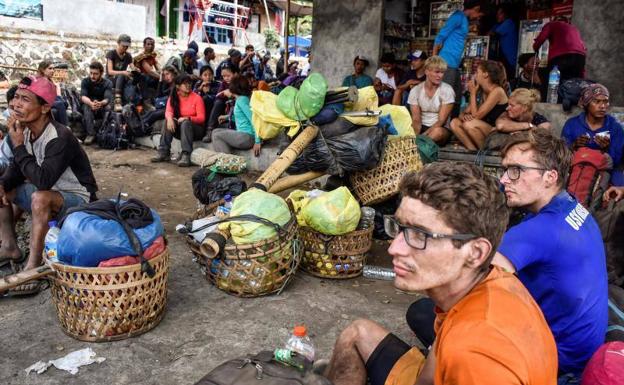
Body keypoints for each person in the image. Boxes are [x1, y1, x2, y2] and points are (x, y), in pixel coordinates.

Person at [323, 161, 557, 385]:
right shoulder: (494, 280)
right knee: (357, 332)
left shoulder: (473, 355)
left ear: (475, 252)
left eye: (420, 235)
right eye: (400, 227)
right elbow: (432, 368)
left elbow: (460, 352)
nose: (394, 248)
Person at [493, 128, 608, 379]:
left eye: (516, 170)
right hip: (585, 349)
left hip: (559, 360)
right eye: (504, 170)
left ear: (550, 177)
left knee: (425, 313)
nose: (503, 180)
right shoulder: (573, 207)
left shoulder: (538, 230)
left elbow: (475, 285)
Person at [0, 76, 98, 295]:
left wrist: (17, 146)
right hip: (48, 192)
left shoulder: (60, 136)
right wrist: (3, 183)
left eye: (25, 99)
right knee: (3, 186)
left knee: (40, 197)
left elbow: (43, 180)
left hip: (79, 200)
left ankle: (34, 268)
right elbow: (17, 171)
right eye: (16, 97)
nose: (16, 104)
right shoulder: (23, 130)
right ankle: (9, 247)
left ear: (45, 107)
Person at [433, 0, 484, 116]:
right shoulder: (457, 17)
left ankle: (451, 126)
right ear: (475, 9)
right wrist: (434, 59)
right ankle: (441, 126)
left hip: (454, 65)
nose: (478, 17)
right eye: (479, 15)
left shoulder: (464, 20)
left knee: (456, 97)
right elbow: (440, 36)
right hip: (446, 62)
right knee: (447, 97)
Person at [561, 84, 624, 174]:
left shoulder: (615, 127)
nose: (602, 106)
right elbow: (561, 155)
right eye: (597, 101)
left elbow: (617, 161)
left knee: (619, 183)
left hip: (605, 171)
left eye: (605, 101)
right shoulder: (572, 124)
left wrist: (606, 149)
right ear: (586, 103)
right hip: (577, 167)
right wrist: (574, 145)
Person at [450, 60, 509, 150]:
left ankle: (484, 155)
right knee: (454, 122)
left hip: (496, 131)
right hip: (479, 127)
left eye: (477, 72)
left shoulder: (497, 91)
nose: (475, 75)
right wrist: (464, 116)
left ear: (485, 74)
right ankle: (473, 151)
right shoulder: (480, 90)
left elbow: (476, 116)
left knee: (469, 124)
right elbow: (463, 113)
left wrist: (472, 93)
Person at [151, 74, 206, 167]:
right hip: (182, 130)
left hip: (196, 130)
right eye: (185, 84)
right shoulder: (174, 97)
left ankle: (186, 155)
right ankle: (163, 151)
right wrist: (169, 119)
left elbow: (202, 118)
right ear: (178, 86)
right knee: (167, 121)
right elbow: (168, 111)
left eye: (189, 83)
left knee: (185, 123)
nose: (188, 85)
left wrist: (188, 118)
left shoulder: (197, 98)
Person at [407, 56, 455, 145]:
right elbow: (416, 120)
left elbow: (441, 121)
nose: (440, 76)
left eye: (442, 72)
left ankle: (419, 145)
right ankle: (417, 145)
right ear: (427, 72)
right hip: (422, 127)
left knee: (437, 132)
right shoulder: (416, 90)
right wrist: (415, 136)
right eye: (437, 72)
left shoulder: (447, 90)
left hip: (440, 128)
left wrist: (423, 137)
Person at [212, 76, 261, 157]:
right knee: (215, 131)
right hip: (244, 135)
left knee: (216, 135)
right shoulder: (242, 99)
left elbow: (253, 119)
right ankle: (228, 161)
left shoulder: (241, 100)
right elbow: (241, 116)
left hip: (247, 137)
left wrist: (257, 141)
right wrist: (227, 117)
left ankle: (228, 163)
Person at [533, 17, 587, 82]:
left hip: (561, 57)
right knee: (576, 83)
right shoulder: (574, 28)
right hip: (580, 58)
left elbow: (541, 38)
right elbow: (583, 46)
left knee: (552, 82)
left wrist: (535, 48)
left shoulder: (551, 24)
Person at [202, 63, 239, 143]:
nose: (226, 78)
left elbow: (243, 99)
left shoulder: (240, 83)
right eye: (224, 76)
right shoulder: (224, 84)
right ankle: (209, 129)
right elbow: (218, 96)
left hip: (237, 109)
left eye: (228, 76)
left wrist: (232, 94)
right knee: (218, 102)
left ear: (235, 74)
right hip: (226, 107)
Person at [80, 61, 113, 145]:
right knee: (86, 107)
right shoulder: (85, 81)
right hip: (89, 104)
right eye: (91, 73)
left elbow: (107, 98)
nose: (92, 76)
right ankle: (91, 134)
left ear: (101, 73)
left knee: (108, 108)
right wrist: (91, 103)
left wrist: (100, 103)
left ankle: (104, 132)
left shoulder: (107, 83)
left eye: (95, 74)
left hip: (101, 105)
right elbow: (83, 96)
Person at [141, 65, 179, 131]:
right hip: (165, 107)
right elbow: (158, 95)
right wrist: (161, 80)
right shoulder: (168, 84)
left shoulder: (178, 83)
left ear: (173, 73)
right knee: (150, 113)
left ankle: (140, 126)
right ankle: (138, 123)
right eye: (164, 75)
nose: (166, 77)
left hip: (174, 109)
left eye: (168, 74)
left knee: (154, 114)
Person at [106, 34, 135, 112]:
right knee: (122, 75)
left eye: (127, 46)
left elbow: (133, 68)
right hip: (111, 79)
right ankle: (117, 100)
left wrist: (135, 71)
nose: (125, 48)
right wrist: (123, 72)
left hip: (121, 79)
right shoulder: (111, 54)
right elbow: (110, 71)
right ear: (118, 43)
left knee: (134, 79)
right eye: (123, 46)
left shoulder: (128, 56)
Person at [36, 60, 69, 126]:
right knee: (60, 104)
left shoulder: (50, 81)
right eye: (50, 68)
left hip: (50, 102)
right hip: (42, 103)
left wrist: (57, 89)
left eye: (53, 69)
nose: (52, 70)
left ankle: (60, 128)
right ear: (43, 70)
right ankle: (66, 127)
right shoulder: (38, 80)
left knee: (64, 103)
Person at [490, 5, 518, 80]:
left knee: (508, 79)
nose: (497, 16)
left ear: (505, 14)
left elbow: (493, 33)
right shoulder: (499, 25)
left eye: (500, 14)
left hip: (510, 60)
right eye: (497, 14)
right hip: (504, 58)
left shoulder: (509, 22)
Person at [133, 37, 160, 105]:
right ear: (144, 45)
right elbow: (150, 71)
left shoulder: (152, 56)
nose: (150, 46)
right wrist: (161, 77)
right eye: (148, 44)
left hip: (149, 77)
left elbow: (158, 67)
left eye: (152, 44)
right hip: (141, 79)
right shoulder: (141, 57)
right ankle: (146, 101)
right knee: (146, 77)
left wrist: (162, 73)